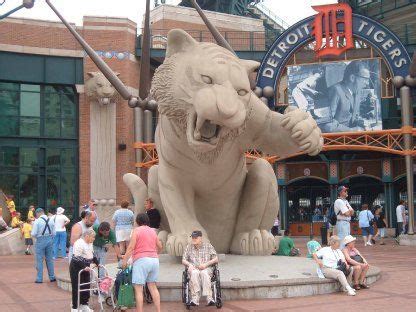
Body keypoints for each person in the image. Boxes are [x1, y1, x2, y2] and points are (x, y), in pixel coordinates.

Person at [122, 213, 162, 312]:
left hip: (141, 260)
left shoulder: (136, 231)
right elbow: (160, 246)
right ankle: (158, 311)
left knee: (138, 289)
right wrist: (156, 254)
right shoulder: (153, 231)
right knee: (153, 287)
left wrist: (124, 261)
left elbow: (131, 247)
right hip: (154, 260)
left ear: (137, 221)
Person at [324, 61, 372, 132]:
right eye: (365, 79)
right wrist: (351, 130)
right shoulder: (335, 90)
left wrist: (361, 123)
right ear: (352, 78)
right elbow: (327, 123)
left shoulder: (357, 92)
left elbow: (353, 116)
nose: (367, 84)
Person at [182, 230, 218, 306]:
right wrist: (189, 265)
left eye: (196, 237)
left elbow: (216, 259)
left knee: (204, 273)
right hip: (194, 269)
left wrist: (205, 265)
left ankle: (209, 298)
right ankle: (195, 298)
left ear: (200, 238)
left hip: (206, 269)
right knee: (194, 273)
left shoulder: (208, 246)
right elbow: (183, 260)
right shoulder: (189, 247)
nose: (194, 239)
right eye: (193, 237)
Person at [70, 228, 98, 312]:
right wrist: (83, 266)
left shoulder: (90, 243)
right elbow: (76, 257)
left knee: (86, 286)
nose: (94, 239)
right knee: (76, 286)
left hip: (86, 266)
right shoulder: (79, 243)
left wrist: (97, 262)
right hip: (76, 267)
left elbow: (91, 254)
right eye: (93, 237)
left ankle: (84, 304)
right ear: (87, 236)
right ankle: (74, 307)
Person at [31, 208, 56, 283]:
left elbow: (33, 233)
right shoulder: (51, 220)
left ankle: (39, 278)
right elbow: (54, 233)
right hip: (50, 239)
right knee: (49, 259)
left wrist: (37, 238)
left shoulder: (37, 221)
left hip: (40, 240)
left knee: (39, 260)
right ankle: (52, 277)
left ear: (38, 213)